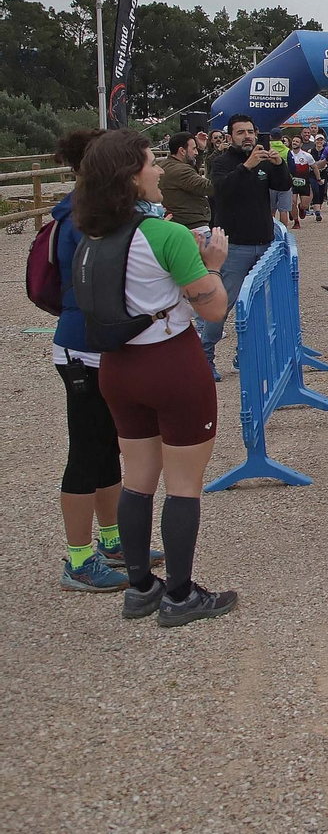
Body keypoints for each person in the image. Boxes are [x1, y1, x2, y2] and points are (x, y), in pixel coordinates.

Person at [75, 129, 237, 626]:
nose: (160, 170)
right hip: (171, 363)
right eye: (150, 163)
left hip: (118, 367)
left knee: (138, 480)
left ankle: (141, 586)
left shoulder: (91, 235)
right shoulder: (164, 234)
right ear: (130, 177)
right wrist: (213, 264)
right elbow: (213, 307)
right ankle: (182, 595)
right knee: (184, 484)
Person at [50, 130, 148, 593]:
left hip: (100, 346)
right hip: (80, 348)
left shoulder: (97, 211)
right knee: (86, 453)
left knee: (108, 448)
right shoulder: (80, 216)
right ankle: (78, 558)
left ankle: (111, 541)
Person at [201, 116, 291, 380]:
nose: (247, 137)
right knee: (222, 304)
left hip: (263, 243)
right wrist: (247, 166)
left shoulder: (263, 159)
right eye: (241, 133)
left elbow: (283, 186)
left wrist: (278, 164)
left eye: (251, 132)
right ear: (230, 137)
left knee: (260, 306)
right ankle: (205, 355)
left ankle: (245, 354)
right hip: (233, 246)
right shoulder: (221, 162)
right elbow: (222, 191)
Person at [158, 132, 213, 230]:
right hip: (193, 226)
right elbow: (208, 187)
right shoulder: (181, 171)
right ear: (182, 151)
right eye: (194, 149)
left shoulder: (166, 165)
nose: (196, 152)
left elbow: (191, 170)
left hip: (179, 224)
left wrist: (200, 150)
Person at [287, 134, 318, 228]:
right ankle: (296, 222)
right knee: (292, 202)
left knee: (305, 205)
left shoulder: (306, 155)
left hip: (304, 182)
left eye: (297, 142)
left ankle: (301, 208)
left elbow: (314, 167)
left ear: (301, 144)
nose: (294, 143)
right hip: (291, 182)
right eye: (293, 141)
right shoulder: (288, 154)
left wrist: (318, 178)